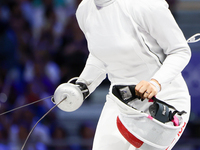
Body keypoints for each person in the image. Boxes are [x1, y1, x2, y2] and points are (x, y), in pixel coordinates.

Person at [55, 0, 191, 149]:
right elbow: (100, 55)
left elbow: (180, 51)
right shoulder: (84, 10)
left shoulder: (145, 5)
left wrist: (155, 83)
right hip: (120, 101)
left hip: (163, 100)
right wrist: (83, 85)